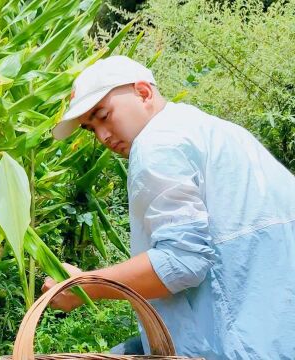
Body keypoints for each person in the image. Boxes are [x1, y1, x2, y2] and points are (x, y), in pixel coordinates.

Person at [42, 55, 295, 359]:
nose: (103, 136)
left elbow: (182, 262)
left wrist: (86, 286)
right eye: (90, 128)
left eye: (104, 115)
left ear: (144, 93)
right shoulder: (218, 132)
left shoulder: (157, 145)